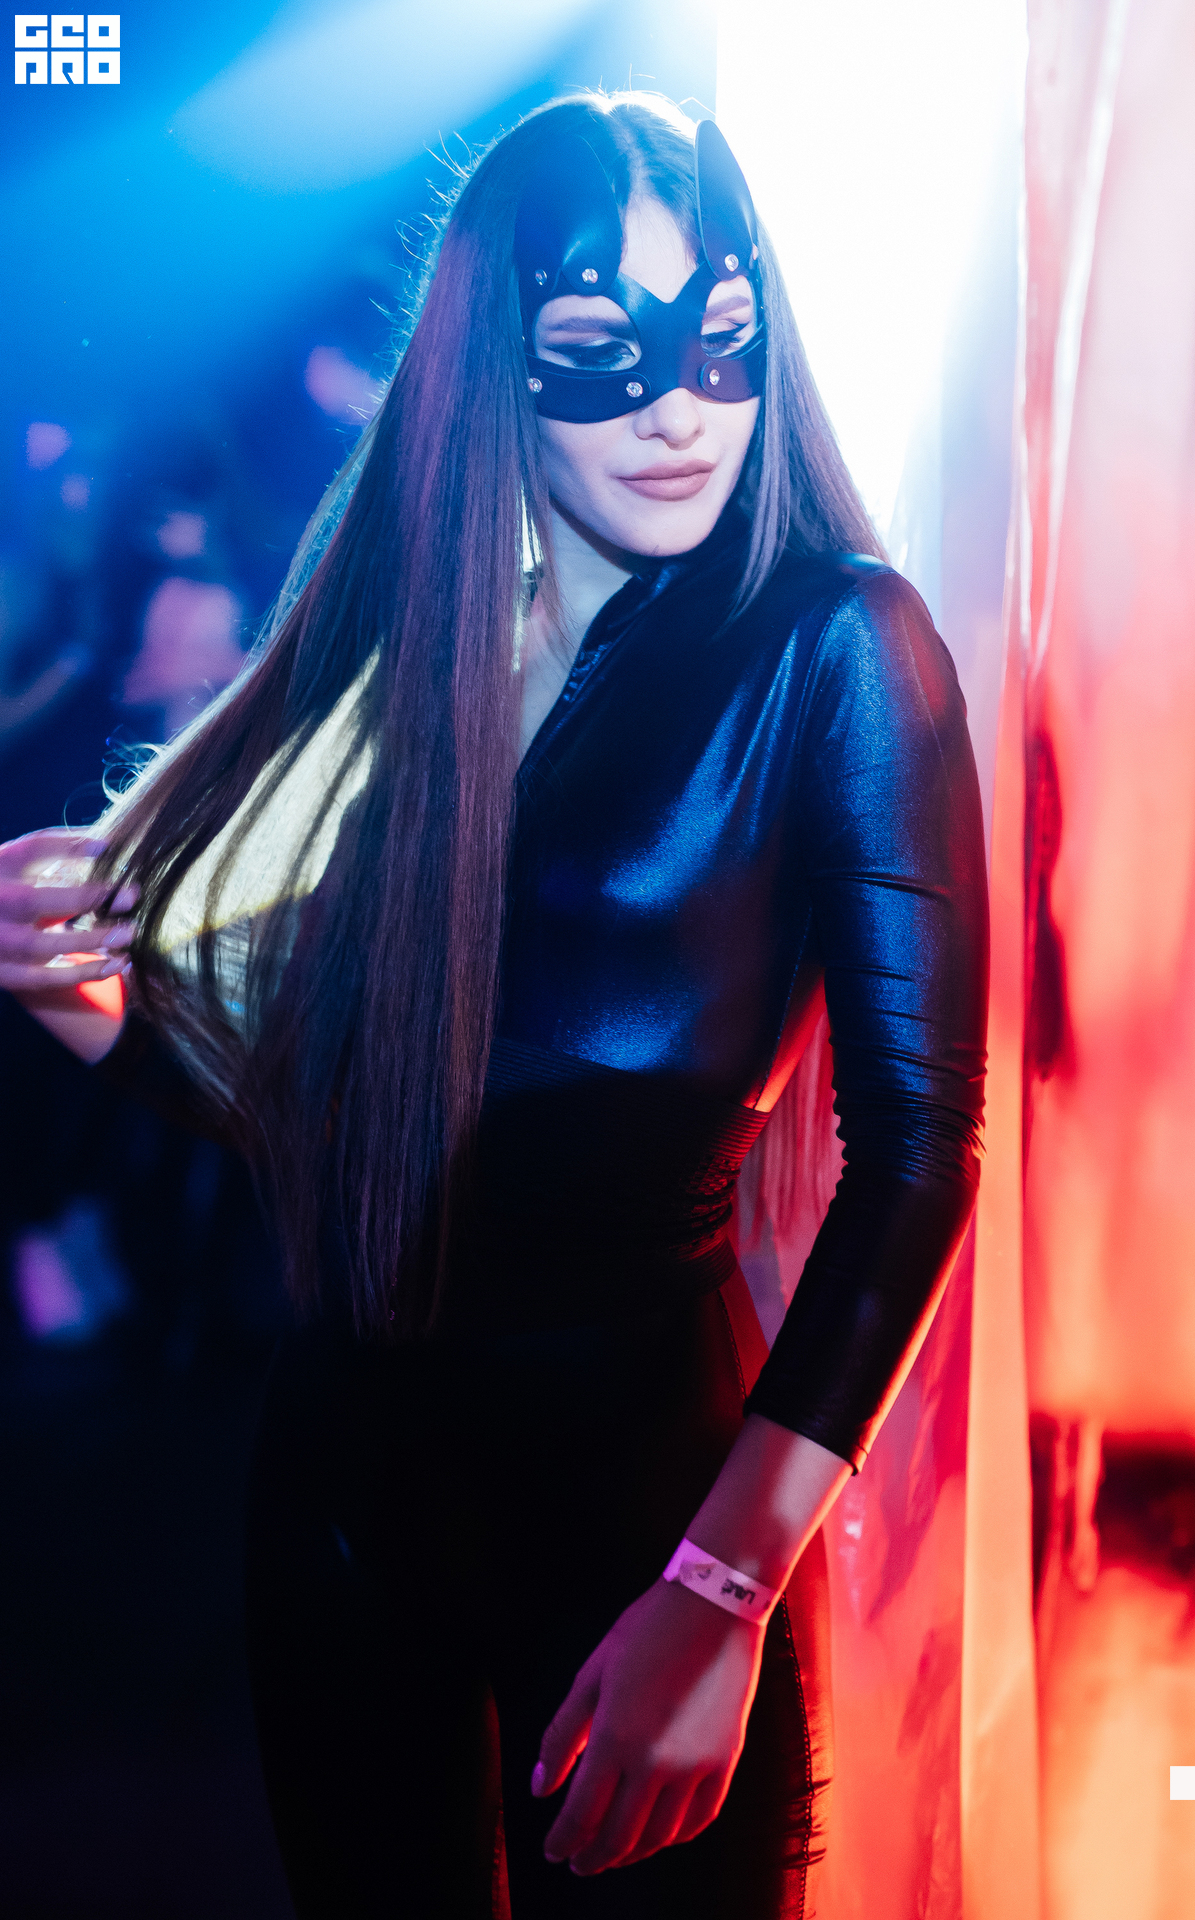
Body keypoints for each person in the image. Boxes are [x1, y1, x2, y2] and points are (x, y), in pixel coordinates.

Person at [0, 94, 988, 1919]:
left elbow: (918, 1156)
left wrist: (721, 1589)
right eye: (601, 353)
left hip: (637, 1526)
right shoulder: (416, 658)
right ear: (496, 372)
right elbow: (356, 1137)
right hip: (337, 1498)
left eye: (722, 338)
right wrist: (111, 1024)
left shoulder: (837, 644)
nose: (678, 409)